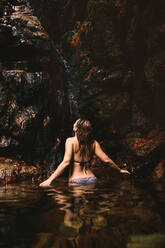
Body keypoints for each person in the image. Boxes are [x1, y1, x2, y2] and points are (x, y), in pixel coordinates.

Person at [39, 119, 130, 187]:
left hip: (76, 180)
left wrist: (50, 179)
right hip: (92, 179)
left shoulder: (70, 141)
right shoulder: (94, 143)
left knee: (71, 209)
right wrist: (119, 170)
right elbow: (106, 160)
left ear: (76, 129)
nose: (74, 123)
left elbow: (66, 162)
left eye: (75, 123)